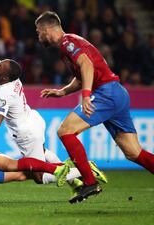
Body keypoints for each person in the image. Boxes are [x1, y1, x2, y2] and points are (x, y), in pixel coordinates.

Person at [35, 11, 154, 204]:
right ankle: (90, 181)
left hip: (106, 93)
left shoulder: (67, 42)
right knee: (134, 152)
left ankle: (90, 182)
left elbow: (87, 66)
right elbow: (82, 73)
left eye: (39, 32)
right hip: (116, 93)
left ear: (47, 30)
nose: (38, 36)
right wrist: (63, 92)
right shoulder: (69, 44)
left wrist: (86, 95)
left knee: (65, 131)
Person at [0, 54, 107, 196]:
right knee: (43, 153)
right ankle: (75, 183)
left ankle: (85, 170)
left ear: (5, 76)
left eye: (0, 66)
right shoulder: (9, 76)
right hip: (33, 119)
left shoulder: (4, 92)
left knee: (40, 177)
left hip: (27, 132)